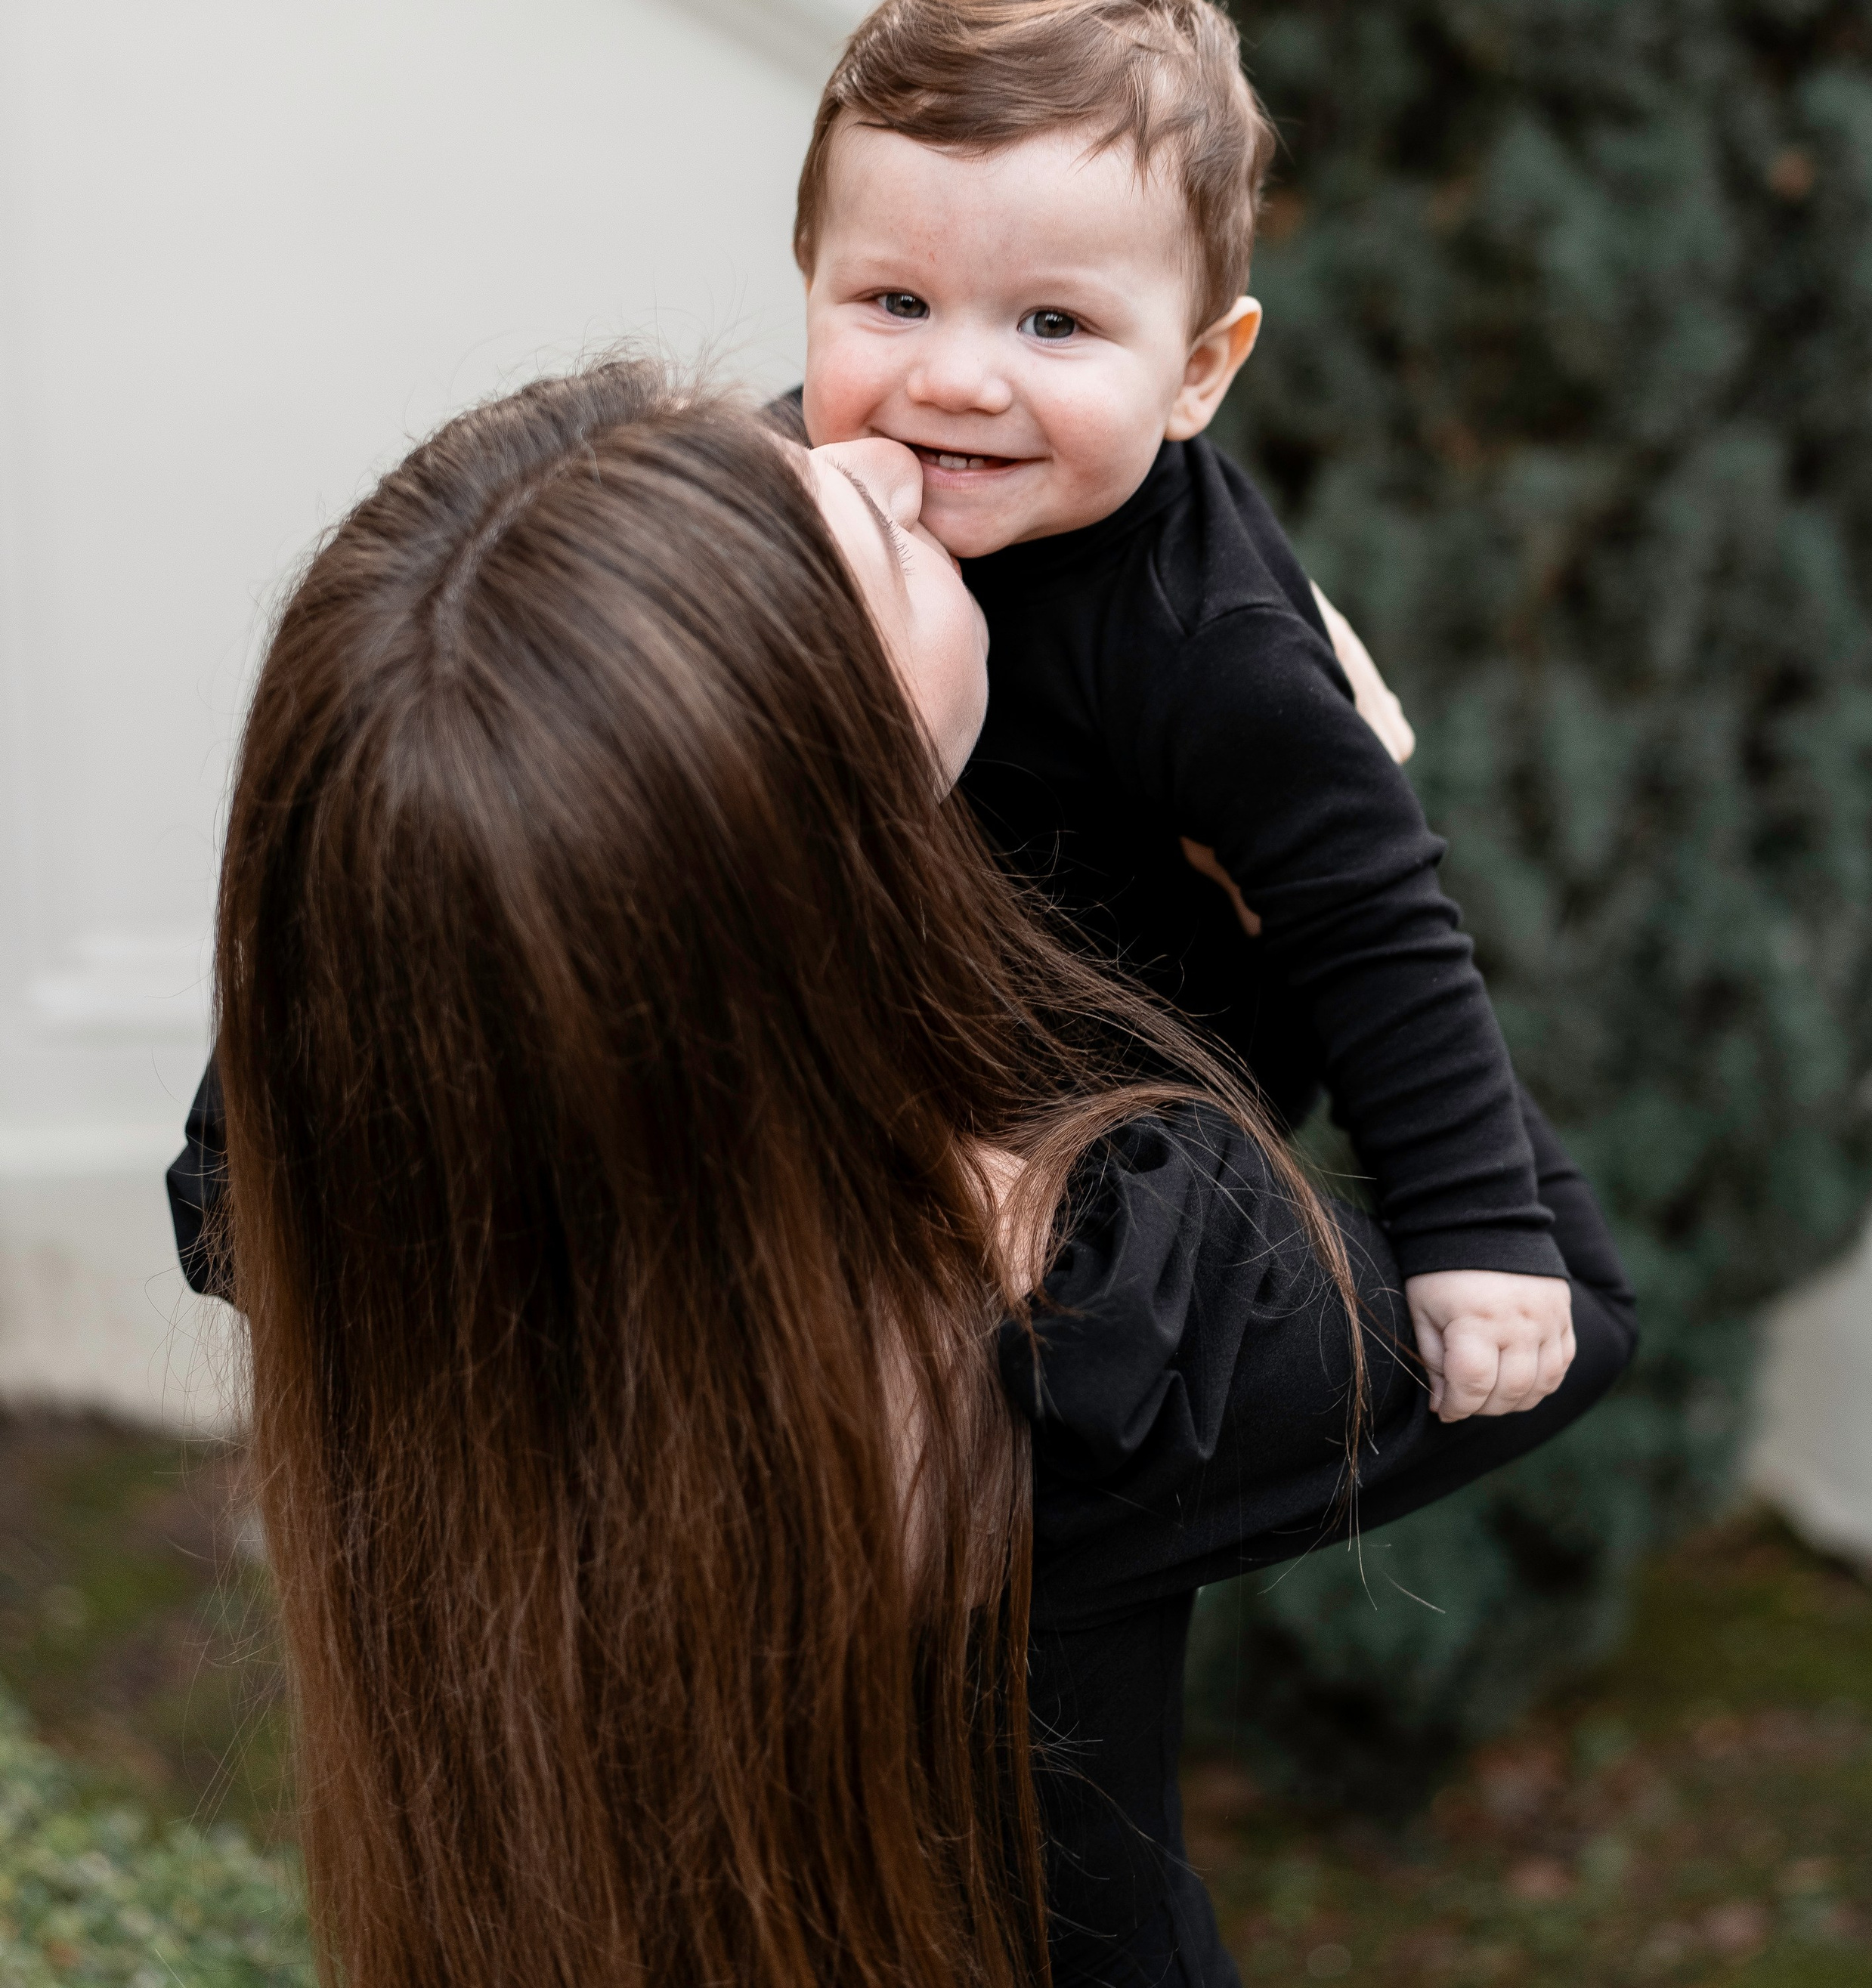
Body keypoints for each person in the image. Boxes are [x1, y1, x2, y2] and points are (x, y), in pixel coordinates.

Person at [174, 359, 1635, 1988]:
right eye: (864, 542)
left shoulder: (322, 1150)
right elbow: (1560, 1305)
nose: (872, 459)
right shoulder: (1103, 1302)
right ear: (835, 810)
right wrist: (1326, 855)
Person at [794, 0, 1582, 1429]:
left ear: (1198, 370)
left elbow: (1371, 913)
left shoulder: (1207, 638)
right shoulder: (782, 495)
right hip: (886, 1059)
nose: (954, 377)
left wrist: (1481, 1232)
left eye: (1051, 324)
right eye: (891, 301)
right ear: (808, 282)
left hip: (1114, 1120)